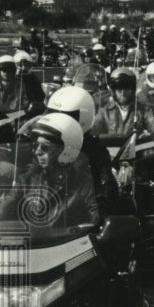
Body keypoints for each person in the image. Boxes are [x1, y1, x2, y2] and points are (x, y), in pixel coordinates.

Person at [0, 112, 99, 230]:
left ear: (66, 150)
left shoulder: (84, 185)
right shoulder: (27, 180)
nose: (37, 151)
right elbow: (2, 213)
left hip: (65, 246)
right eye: (36, 145)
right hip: (35, 245)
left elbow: (97, 223)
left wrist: (79, 230)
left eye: (45, 147)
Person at [44, 85, 119, 219]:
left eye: (67, 116)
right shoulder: (44, 142)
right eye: (53, 113)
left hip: (76, 220)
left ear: (83, 117)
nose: (59, 121)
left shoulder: (95, 149)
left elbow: (106, 191)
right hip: (41, 216)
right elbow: (28, 178)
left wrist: (95, 221)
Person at [91, 67, 154, 162]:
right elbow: (95, 128)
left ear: (132, 90)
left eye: (126, 89)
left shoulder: (143, 109)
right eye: (119, 90)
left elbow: (152, 119)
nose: (123, 93)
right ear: (113, 91)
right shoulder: (104, 111)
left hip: (136, 156)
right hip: (111, 156)